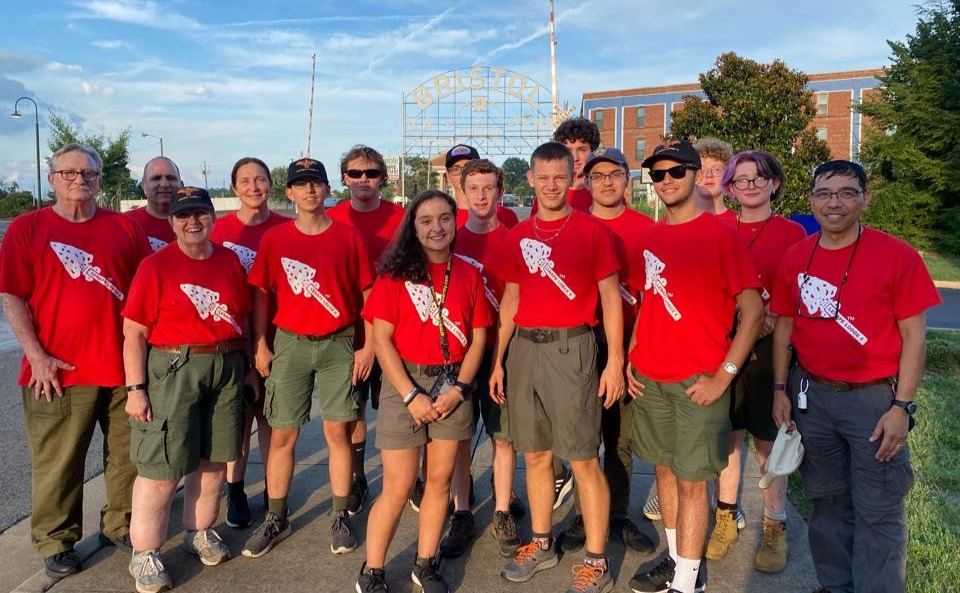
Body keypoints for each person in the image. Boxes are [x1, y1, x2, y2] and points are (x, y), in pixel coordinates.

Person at [770, 160, 940, 593]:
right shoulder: (797, 255)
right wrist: (779, 388)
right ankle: (836, 585)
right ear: (811, 200)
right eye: (825, 193)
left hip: (873, 402)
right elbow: (785, 328)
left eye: (847, 192)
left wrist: (901, 407)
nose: (835, 202)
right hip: (812, 395)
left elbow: (914, 339)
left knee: (878, 508)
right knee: (827, 502)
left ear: (864, 198)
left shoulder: (896, 255)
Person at [0, 143, 148, 581]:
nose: (79, 181)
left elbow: (145, 294)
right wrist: (37, 356)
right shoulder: (28, 228)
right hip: (58, 371)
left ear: (100, 180)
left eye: (88, 174)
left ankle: (120, 525)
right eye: (68, 173)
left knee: (126, 457)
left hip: (122, 369)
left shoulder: (123, 229)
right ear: (52, 179)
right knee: (59, 462)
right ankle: (57, 540)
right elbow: (12, 296)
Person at [625, 139, 763, 593]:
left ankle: (688, 584)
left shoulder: (721, 235)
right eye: (657, 174)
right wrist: (631, 354)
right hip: (649, 377)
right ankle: (677, 560)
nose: (666, 181)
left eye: (675, 172)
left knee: (691, 483)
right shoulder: (649, 236)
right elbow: (647, 301)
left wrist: (723, 375)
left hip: (697, 382)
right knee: (663, 471)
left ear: (693, 174)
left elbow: (753, 311)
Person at [492, 141, 624, 593]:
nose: (551, 185)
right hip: (525, 349)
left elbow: (611, 298)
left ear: (574, 179)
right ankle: (543, 542)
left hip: (573, 348)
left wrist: (616, 362)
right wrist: (498, 360)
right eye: (542, 177)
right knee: (536, 454)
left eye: (560, 177)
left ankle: (596, 558)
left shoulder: (592, 233)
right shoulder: (517, 236)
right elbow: (510, 300)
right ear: (529, 180)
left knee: (583, 458)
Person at [356, 190, 491, 593]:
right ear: (413, 228)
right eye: (426, 220)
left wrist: (460, 389)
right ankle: (373, 569)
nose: (437, 228)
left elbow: (479, 337)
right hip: (406, 384)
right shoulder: (396, 275)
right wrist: (412, 396)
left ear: (455, 222)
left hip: (452, 383)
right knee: (398, 487)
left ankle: (425, 562)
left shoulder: (467, 274)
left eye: (445, 219)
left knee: (439, 481)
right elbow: (382, 341)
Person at [241, 158, 374, 559]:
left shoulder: (348, 237)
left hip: (338, 343)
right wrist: (261, 345)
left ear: (327, 188)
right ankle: (276, 515)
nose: (310, 190)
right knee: (282, 433)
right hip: (291, 342)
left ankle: (339, 513)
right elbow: (263, 294)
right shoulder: (276, 240)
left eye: (316, 183)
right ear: (290, 193)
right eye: (301, 184)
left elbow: (367, 295)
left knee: (338, 432)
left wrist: (367, 346)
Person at [122, 187, 251, 593]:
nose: (192, 221)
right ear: (171, 221)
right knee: (161, 468)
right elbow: (134, 333)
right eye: (183, 215)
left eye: (200, 213)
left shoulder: (229, 259)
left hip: (226, 363)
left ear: (212, 217)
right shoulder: (156, 265)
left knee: (214, 460)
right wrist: (136, 388)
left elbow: (241, 317)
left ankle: (199, 532)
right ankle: (145, 554)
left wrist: (246, 367)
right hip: (174, 366)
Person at [704, 151, 806, 573]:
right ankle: (725, 516)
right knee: (726, 436)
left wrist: (768, 321)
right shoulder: (715, 227)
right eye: (741, 179)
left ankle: (774, 522)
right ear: (729, 186)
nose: (750, 186)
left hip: (768, 349)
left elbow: (798, 289)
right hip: (722, 345)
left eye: (758, 178)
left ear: (774, 183)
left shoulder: (792, 232)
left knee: (767, 440)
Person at [560, 147, 656, 555]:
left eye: (614, 174)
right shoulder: (571, 227)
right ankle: (585, 516)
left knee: (618, 437)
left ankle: (617, 515)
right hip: (580, 341)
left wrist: (629, 356)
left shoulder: (646, 229)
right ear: (586, 183)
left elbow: (653, 299)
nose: (606, 182)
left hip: (629, 342)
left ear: (627, 180)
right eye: (597, 176)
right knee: (583, 438)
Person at [440, 158, 524, 559]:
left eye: (489, 188)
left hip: (500, 350)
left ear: (500, 191)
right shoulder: (450, 240)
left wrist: (503, 359)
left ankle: (504, 509)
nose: (481, 196)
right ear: (462, 191)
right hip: (458, 353)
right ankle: (461, 510)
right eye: (473, 188)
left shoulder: (515, 240)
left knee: (503, 436)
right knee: (457, 437)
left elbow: (514, 304)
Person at [210, 157, 288, 530]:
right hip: (232, 339)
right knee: (237, 422)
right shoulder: (220, 230)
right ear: (234, 187)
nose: (254, 187)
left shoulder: (286, 228)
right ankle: (236, 490)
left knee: (273, 420)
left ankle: (274, 495)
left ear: (271, 185)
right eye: (245, 180)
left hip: (280, 338)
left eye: (260, 180)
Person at [327, 145, 406, 514]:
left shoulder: (401, 218)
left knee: (400, 403)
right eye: (355, 174)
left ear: (383, 178)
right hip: (351, 327)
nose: (363, 180)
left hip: (399, 326)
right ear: (343, 178)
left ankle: (409, 478)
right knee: (353, 407)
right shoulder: (332, 219)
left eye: (371, 173)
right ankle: (358, 477)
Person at [443, 144, 519, 229]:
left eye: (468, 167)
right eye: (455, 169)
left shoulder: (506, 216)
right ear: (448, 176)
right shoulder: (443, 218)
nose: (462, 174)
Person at [125, 156, 180, 251]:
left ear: (181, 184)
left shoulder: (198, 225)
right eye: (156, 178)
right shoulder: (125, 225)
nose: (164, 184)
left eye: (171, 178)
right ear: (144, 185)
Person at [692, 137, 736, 222]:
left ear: (727, 175)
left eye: (716, 169)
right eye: (703, 169)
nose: (709, 175)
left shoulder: (739, 224)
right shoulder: (678, 223)